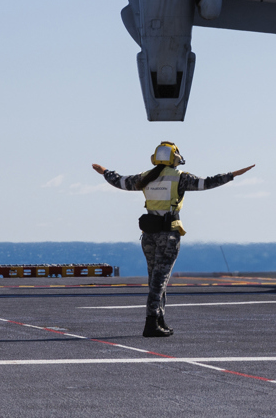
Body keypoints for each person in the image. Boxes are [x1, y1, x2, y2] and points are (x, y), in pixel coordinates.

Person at [92, 142, 254, 338]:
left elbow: (120, 181)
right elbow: (207, 183)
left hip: (149, 235)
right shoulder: (180, 177)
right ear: (175, 158)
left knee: (155, 278)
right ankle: (151, 322)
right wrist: (232, 175)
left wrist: (105, 171)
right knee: (160, 281)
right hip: (168, 235)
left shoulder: (145, 177)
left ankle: (159, 320)